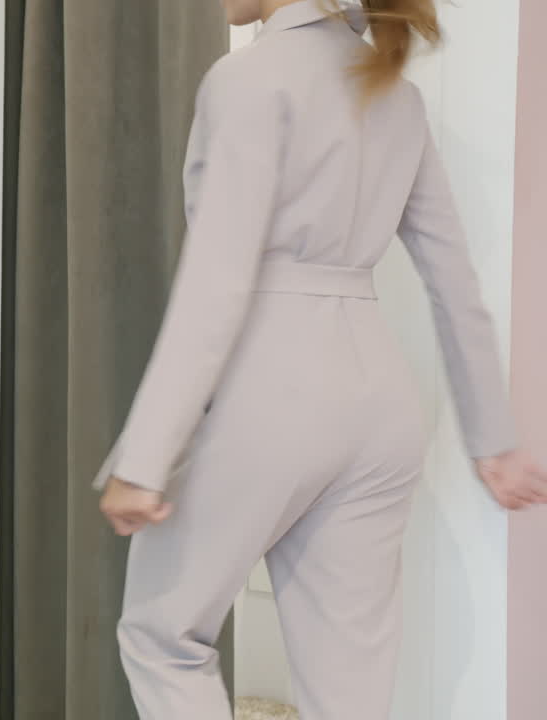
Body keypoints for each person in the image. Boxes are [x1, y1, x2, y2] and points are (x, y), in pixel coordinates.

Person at [93, 1, 547, 718]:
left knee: (162, 637)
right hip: (381, 404)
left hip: (272, 387)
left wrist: (145, 457)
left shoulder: (249, 79)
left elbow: (218, 278)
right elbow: (453, 279)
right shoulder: (397, 95)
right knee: (350, 690)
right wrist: (494, 440)